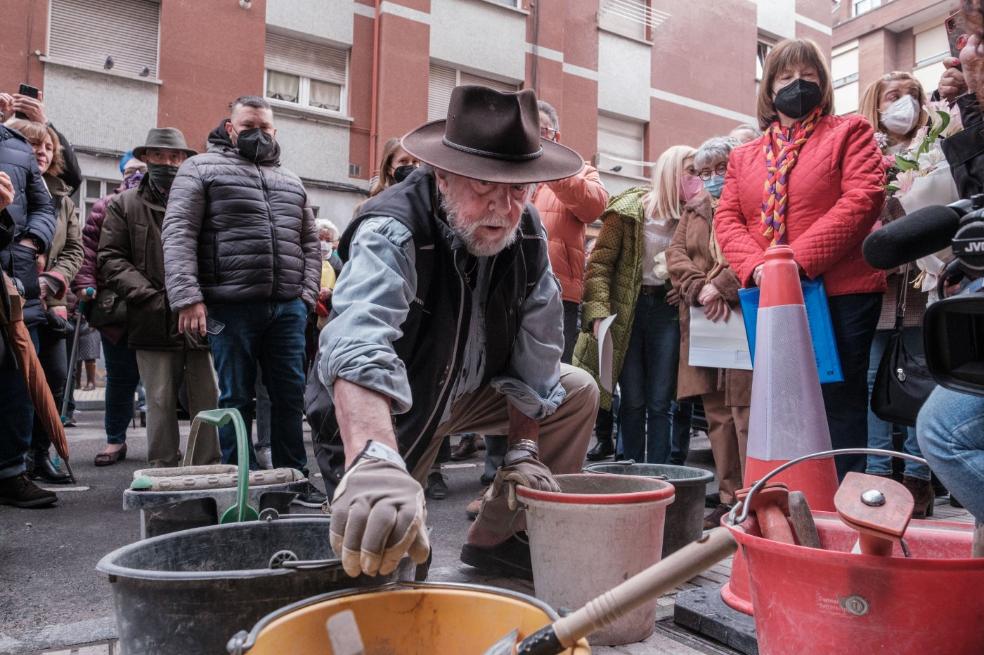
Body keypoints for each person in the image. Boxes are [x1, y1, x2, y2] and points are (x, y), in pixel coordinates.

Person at [312, 86, 599, 580]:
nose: (503, 208)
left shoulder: (527, 232)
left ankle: (500, 537)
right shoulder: (393, 228)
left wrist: (523, 449)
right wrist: (375, 459)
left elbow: (540, 349)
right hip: (396, 406)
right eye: (485, 186)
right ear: (442, 175)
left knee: (576, 391)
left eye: (517, 188)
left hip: (469, 389)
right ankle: (376, 491)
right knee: (381, 563)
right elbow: (358, 341)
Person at [714, 38, 887, 478]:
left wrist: (795, 263)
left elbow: (864, 197)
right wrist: (759, 267)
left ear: (824, 83)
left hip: (840, 290)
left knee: (840, 402)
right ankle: (796, 492)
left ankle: (845, 500)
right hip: (771, 295)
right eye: (786, 76)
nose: (798, 84)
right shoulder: (743, 156)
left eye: (808, 75)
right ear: (769, 89)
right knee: (781, 400)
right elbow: (728, 218)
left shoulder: (851, 132)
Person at [162, 96, 324, 505]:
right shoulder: (199, 168)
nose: (258, 134)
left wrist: (304, 298)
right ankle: (241, 480)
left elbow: (310, 243)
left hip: (286, 308)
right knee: (235, 397)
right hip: (228, 308)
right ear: (231, 128)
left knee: (289, 396)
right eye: (249, 125)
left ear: (275, 132)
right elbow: (178, 232)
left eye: (265, 128)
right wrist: (187, 297)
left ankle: (294, 480)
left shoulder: (291, 180)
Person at [98, 128, 220, 467]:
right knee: (159, 399)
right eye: (159, 156)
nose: (168, 163)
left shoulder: (204, 200)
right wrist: (151, 297)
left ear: (184, 160)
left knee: (208, 398)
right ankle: (162, 469)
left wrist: (198, 296)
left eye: (175, 157)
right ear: (146, 158)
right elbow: (110, 258)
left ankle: (205, 467)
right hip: (150, 315)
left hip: (200, 316)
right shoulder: (124, 204)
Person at [574, 146, 699, 465]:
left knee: (661, 402)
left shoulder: (692, 216)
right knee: (632, 399)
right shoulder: (628, 209)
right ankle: (629, 474)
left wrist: (681, 288)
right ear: (672, 172)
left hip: (666, 313)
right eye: (692, 171)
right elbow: (599, 265)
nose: (697, 178)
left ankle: (657, 475)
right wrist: (598, 313)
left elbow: (702, 265)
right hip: (625, 311)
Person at [858, 73, 935, 516]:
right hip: (881, 285)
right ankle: (879, 472)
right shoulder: (869, 153)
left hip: (924, 286)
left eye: (912, 96)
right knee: (874, 380)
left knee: (924, 381)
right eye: (893, 96)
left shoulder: (934, 148)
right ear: (877, 103)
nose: (904, 104)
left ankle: (919, 479)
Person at [666, 136, 752, 527]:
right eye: (705, 172)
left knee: (744, 410)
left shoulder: (752, 202)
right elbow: (675, 255)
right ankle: (727, 496)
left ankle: (754, 496)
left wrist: (723, 285)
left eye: (720, 169)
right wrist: (701, 287)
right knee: (717, 414)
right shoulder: (693, 209)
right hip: (705, 318)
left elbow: (754, 249)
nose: (713, 178)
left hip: (742, 316)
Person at [3, 119, 83, 483]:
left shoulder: (62, 200)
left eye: (48, 147)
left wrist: (55, 279)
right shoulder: (11, 188)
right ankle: (14, 462)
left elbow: (74, 249)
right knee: (18, 380)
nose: (41, 151)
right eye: (34, 144)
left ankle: (41, 454)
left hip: (51, 301)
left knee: (52, 378)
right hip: (16, 298)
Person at [0, 114, 57, 507]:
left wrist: (30, 242)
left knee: (18, 381)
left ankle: (11, 471)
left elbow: (45, 206)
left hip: (14, 282)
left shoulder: (16, 143)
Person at [74, 152, 146, 466]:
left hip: (156, 305)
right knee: (119, 376)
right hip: (116, 306)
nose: (138, 175)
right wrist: (85, 283)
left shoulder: (170, 202)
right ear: (121, 174)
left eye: (142, 170)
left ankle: (162, 444)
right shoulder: (106, 206)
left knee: (161, 379)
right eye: (132, 170)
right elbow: (88, 247)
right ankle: (115, 440)